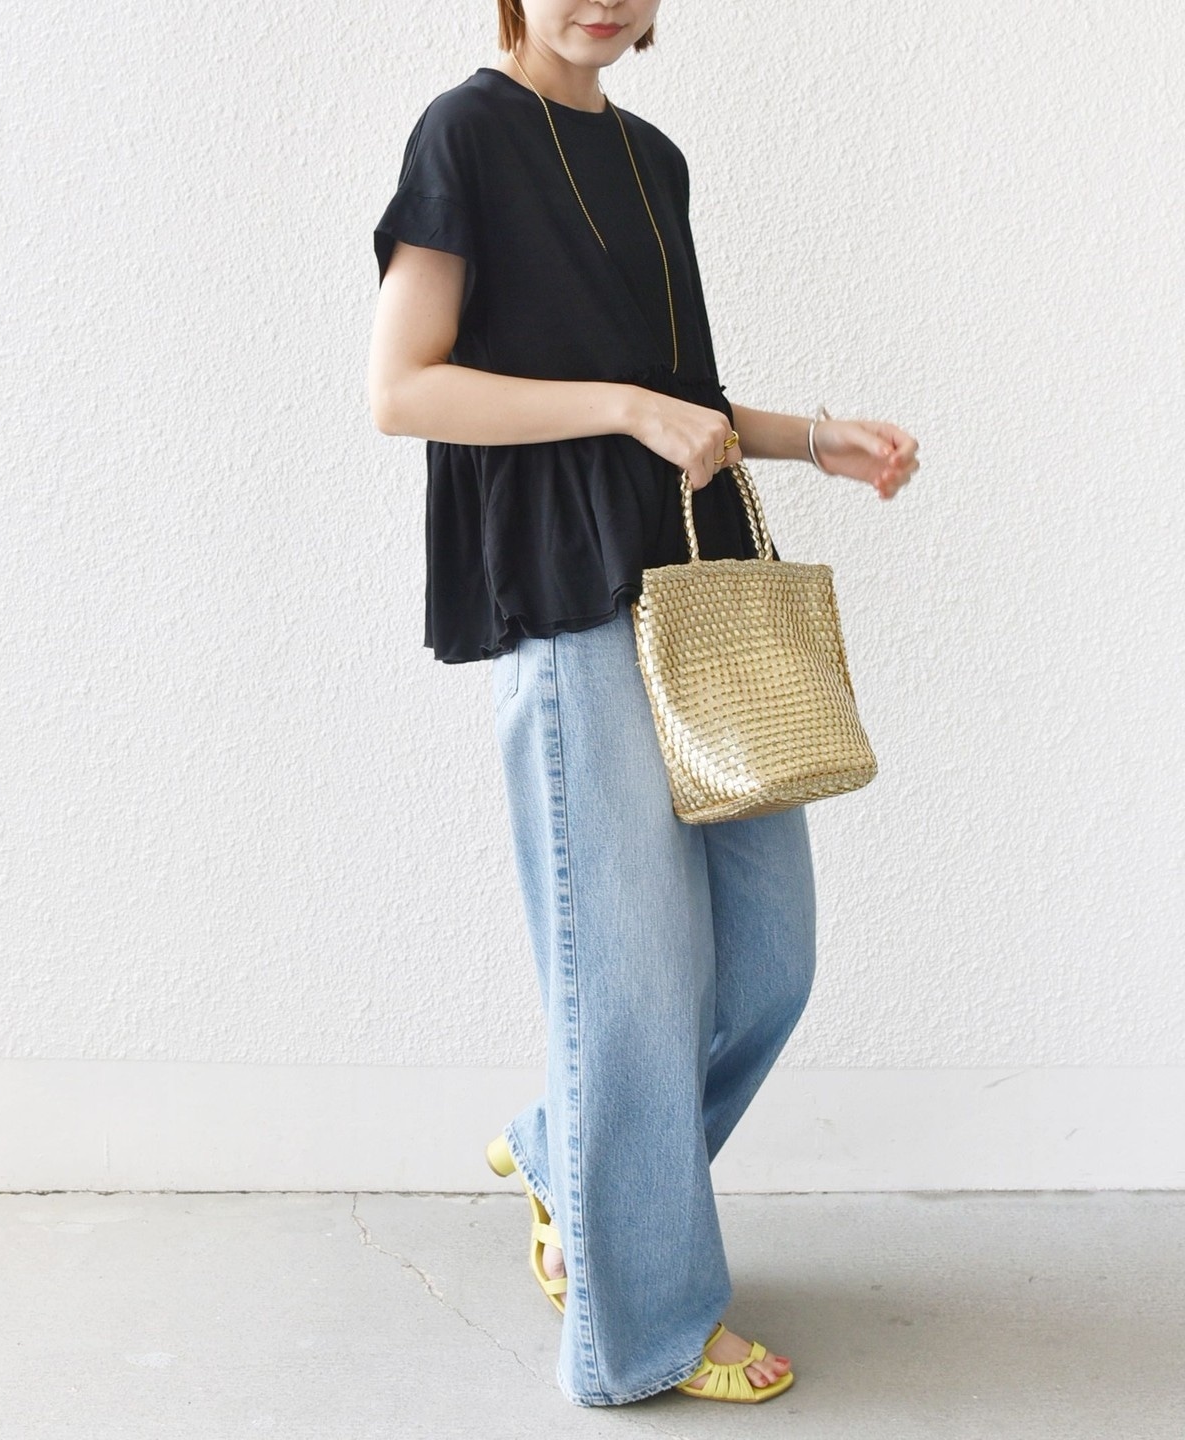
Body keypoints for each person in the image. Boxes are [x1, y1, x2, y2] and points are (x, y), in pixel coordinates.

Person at [365, 0, 919, 1410]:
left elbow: (686, 401)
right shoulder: (465, 133)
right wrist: (619, 406)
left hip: (697, 586)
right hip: (569, 595)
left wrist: (813, 439)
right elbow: (403, 390)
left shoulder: (650, 155)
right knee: (630, 987)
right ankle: (642, 1330)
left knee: (770, 964)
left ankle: (570, 1154)